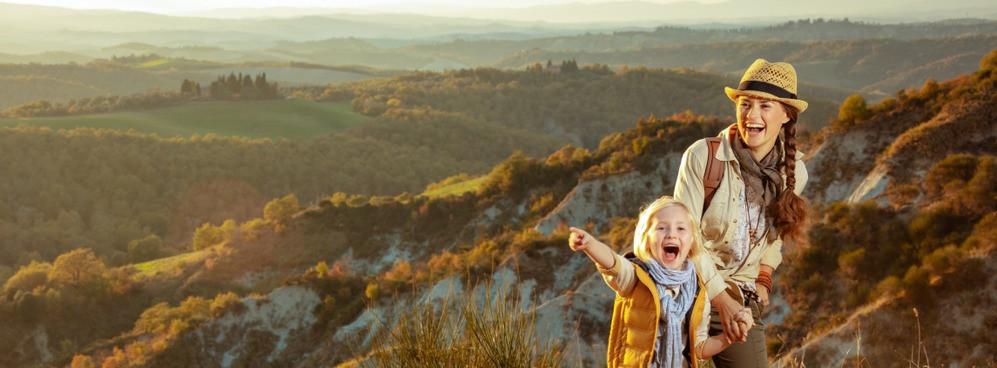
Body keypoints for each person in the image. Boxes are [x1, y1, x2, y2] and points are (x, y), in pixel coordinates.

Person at [673, 58, 809, 367]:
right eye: (745, 104)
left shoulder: (794, 173)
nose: (752, 115)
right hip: (688, 291)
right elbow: (683, 237)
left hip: (741, 296)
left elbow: (776, 235)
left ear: (786, 115)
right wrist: (721, 299)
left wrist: (764, 277)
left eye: (765, 106)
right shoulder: (704, 156)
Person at [568, 196, 737, 368]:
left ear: (692, 240)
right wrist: (590, 245)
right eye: (661, 228)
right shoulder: (637, 277)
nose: (671, 234)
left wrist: (729, 337)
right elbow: (613, 263)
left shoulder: (697, 290)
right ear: (647, 239)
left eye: (680, 228)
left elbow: (698, 350)